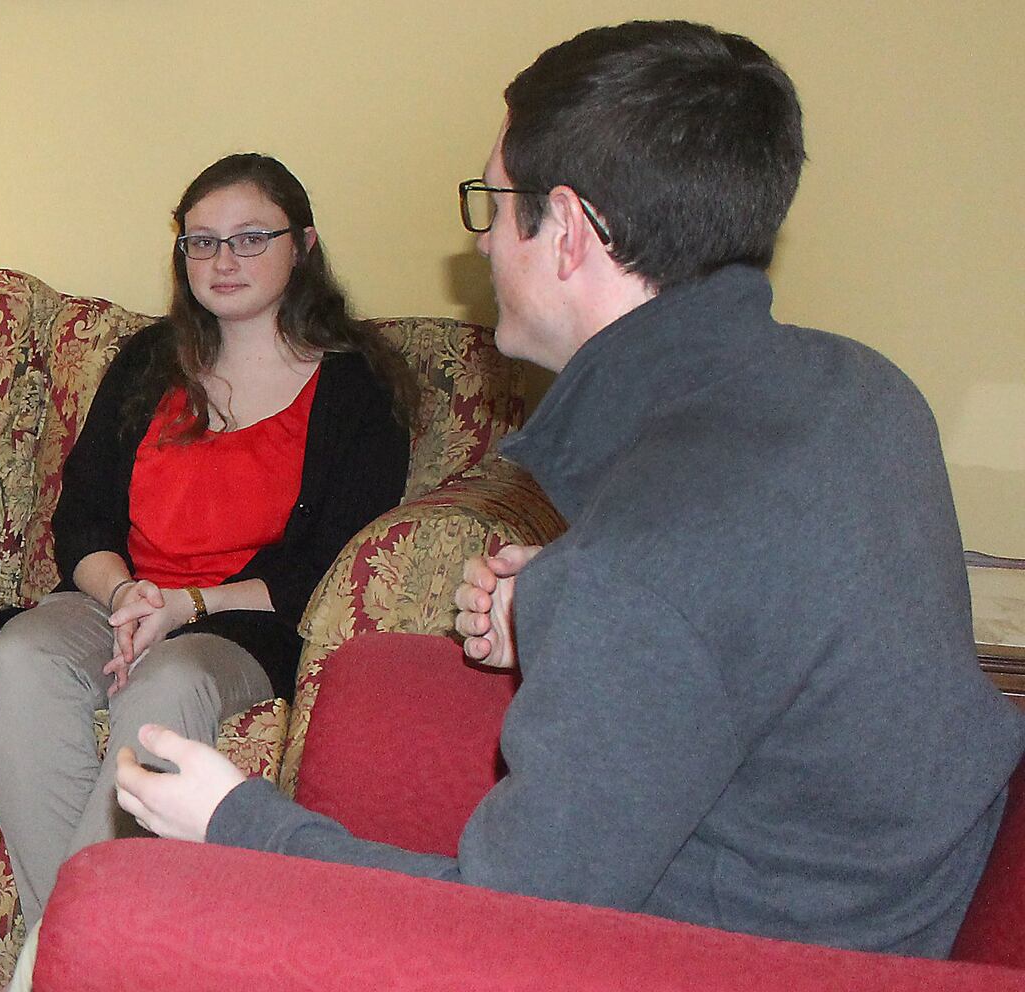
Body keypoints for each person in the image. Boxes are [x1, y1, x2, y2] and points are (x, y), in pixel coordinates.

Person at [115, 20, 1025, 958]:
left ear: (569, 232)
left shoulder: (637, 577)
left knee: (123, 919)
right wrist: (562, 603)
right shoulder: (863, 387)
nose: (479, 244)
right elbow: (754, 617)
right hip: (866, 908)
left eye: (493, 204)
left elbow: (502, 932)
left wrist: (235, 822)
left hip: (735, 962)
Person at [0, 152, 415, 927]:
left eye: (251, 238)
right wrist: (126, 594)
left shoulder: (354, 388)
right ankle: (74, 953)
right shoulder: (149, 362)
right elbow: (81, 518)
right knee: (23, 653)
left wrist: (185, 606)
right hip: (124, 595)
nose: (223, 260)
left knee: (169, 683)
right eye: (201, 241)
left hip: (242, 621)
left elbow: (328, 565)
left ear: (303, 245)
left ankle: (58, 959)